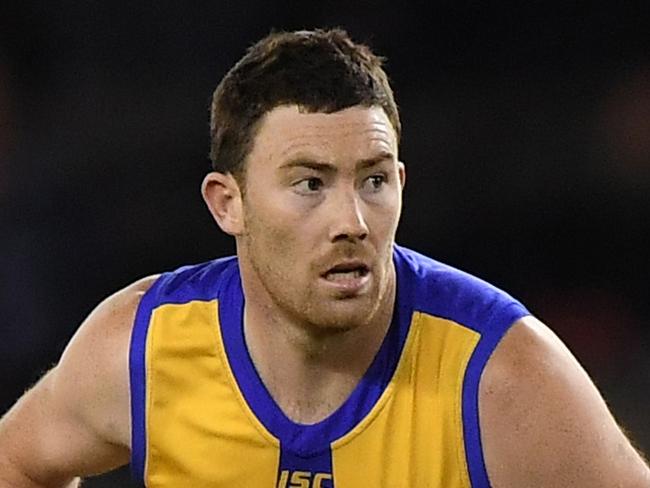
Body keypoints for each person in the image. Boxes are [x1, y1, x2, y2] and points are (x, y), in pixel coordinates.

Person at [0, 28, 648, 488]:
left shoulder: (502, 378)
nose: (353, 222)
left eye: (373, 181)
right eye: (310, 183)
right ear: (229, 204)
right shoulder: (141, 348)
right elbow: (20, 463)